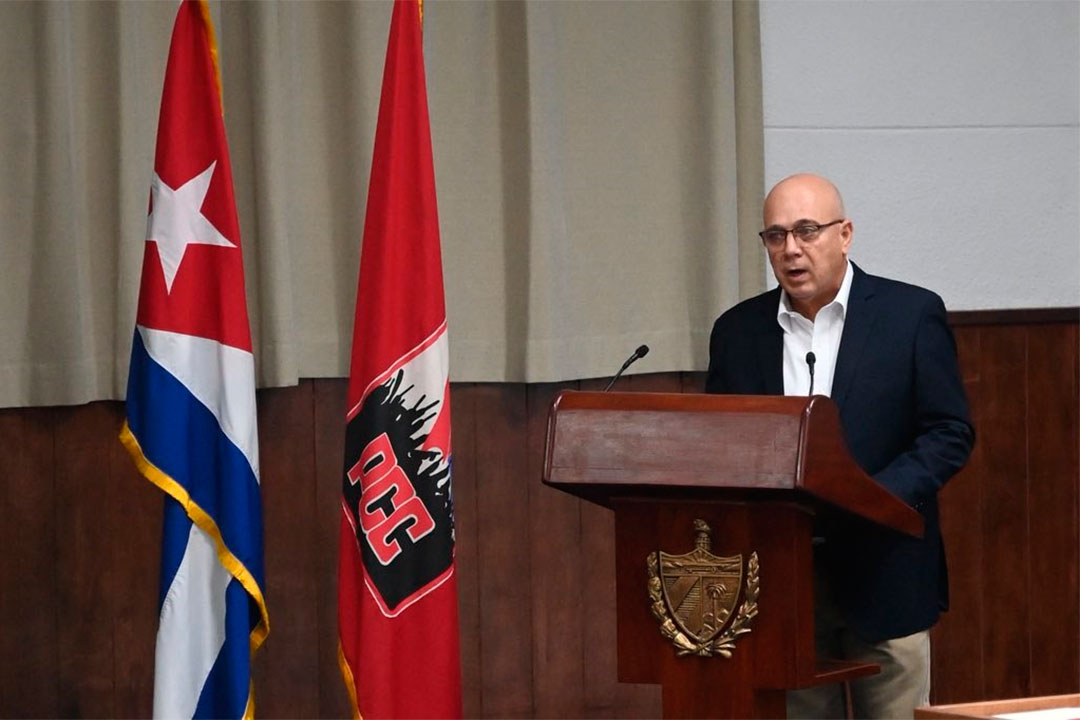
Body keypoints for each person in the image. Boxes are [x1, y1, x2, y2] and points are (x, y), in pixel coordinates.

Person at [705, 173, 974, 719]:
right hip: (784, 582)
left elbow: (949, 432)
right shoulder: (737, 331)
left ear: (845, 234)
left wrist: (872, 498)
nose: (791, 249)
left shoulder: (909, 315)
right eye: (775, 236)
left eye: (807, 230)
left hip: (886, 573)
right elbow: (720, 447)